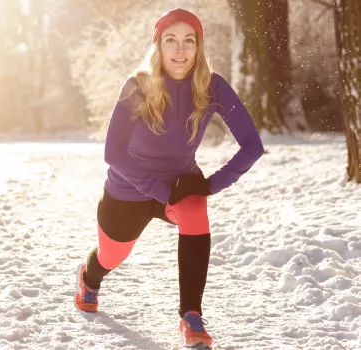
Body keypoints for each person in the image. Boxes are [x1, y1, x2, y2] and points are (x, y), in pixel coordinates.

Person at [73, 8, 265, 349]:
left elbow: (252, 145)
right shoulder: (138, 86)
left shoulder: (213, 86)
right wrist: (158, 190)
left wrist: (211, 184)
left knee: (195, 209)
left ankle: (191, 316)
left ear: (198, 47)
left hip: (180, 185)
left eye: (188, 41)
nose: (180, 50)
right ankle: (89, 278)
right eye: (171, 40)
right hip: (127, 189)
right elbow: (113, 152)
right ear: (158, 47)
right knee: (111, 258)